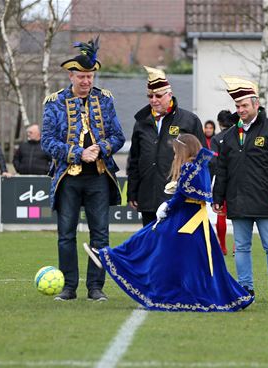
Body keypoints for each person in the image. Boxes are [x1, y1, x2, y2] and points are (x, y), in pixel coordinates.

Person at [84, 134, 253, 312]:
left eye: (175, 151)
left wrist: (167, 206)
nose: (174, 155)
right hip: (195, 222)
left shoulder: (189, 167)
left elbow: (183, 195)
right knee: (173, 251)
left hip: (185, 221)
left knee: (149, 241)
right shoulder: (200, 166)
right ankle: (110, 257)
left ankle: (111, 258)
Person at [41, 37, 125, 302]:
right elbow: (47, 141)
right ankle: (68, 287)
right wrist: (78, 153)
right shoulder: (54, 102)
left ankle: (96, 287)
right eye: (82, 77)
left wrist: (100, 148)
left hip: (99, 177)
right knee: (66, 235)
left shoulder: (105, 100)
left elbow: (118, 136)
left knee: (101, 234)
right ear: (71, 76)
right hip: (68, 179)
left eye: (90, 76)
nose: (87, 81)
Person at [213, 76, 268, 304]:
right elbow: (223, 169)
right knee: (242, 248)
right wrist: (218, 196)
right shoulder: (227, 136)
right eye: (237, 106)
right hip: (237, 201)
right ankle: (245, 289)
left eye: (244, 106)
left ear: (256, 104)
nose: (240, 110)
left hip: (267, 199)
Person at [127, 66, 206, 227]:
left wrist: (195, 189)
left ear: (169, 95)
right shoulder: (141, 122)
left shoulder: (188, 120)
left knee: (175, 244)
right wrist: (133, 192)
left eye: (158, 95)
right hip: (148, 194)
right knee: (151, 242)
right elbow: (134, 160)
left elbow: (203, 158)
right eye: (150, 96)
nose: (153, 99)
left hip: (178, 196)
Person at [211, 110, 234, 255]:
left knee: (221, 214)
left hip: (222, 180)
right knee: (239, 214)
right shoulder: (238, 136)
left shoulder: (216, 139)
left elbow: (213, 161)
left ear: (219, 123)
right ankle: (237, 247)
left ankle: (223, 246)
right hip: (238, 179)